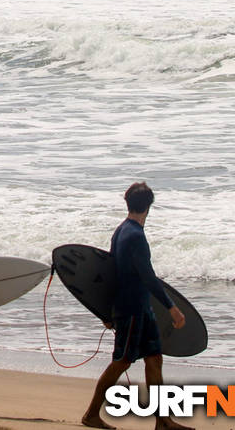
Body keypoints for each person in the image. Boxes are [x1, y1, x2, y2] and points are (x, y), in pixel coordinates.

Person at [81, 182, 191, 430]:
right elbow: (148, 277)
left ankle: (162, 420)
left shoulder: (121, 231)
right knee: (122, 361)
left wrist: (105, 310)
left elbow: (110, 273)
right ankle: (91, 414)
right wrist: (171, 307)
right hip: (131, 310)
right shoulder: (135, 236)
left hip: (141, 309)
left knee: (154, 359)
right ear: (149, 207)